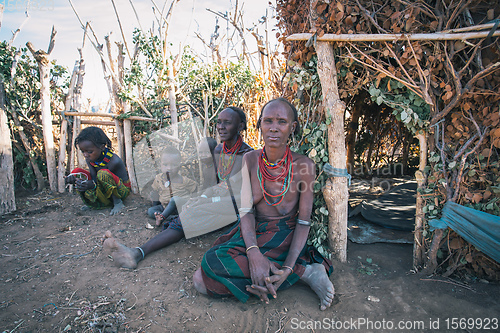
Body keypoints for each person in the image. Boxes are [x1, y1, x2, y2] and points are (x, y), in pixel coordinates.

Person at [192, 98, 335, 311]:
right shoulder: (249, 160)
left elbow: (304, 222)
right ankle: (303, 273)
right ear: (260, 125)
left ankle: (293, 271)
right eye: (268, 121)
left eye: (281, 122)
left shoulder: (304, 165)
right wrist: (254, 254)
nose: (274, 128)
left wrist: (287, 264)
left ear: (292, 127)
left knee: (204, 282)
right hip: (254, 230)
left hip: (284, 235)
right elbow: (246, 211)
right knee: (207, 268)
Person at [102, 107, 253, 268]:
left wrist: (207, 202)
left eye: (227, 123)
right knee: (186, 210)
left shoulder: (248, 155)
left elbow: (242, 196)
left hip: (236, 208)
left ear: (240, 126)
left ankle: (137, 253)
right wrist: (201, 198)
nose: (221, 127)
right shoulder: (218, 150)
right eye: (219, 123)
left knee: (189, 214)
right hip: (217, 201)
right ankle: (137, 252)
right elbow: (213, 185)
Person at [65, 126, 130, 216]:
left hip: (120, 191)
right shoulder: (90, 159)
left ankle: (118, 203)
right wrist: (75, 179)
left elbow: (102, 181)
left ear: (102, 147)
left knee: (103, 173)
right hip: (103, 189)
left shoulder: (114, 161)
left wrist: (92, 184)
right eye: (83, 151)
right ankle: (93, 204)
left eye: (89, 152)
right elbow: (94, 178)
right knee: (77, 172)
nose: (85, 155)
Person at [147, 146, 198, 227]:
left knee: (174, 199)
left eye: (173, 165)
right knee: (150, 211)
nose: (169, 168)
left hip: (180, 208)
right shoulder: (158, 179)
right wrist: (155, 204)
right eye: (165, 164)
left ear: (179, 165)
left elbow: (195, 190)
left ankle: (162, 218)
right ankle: (169, 217)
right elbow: (155, 193)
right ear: (160, 165)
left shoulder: (184, 181)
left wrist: (192, 203)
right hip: (164, 207)